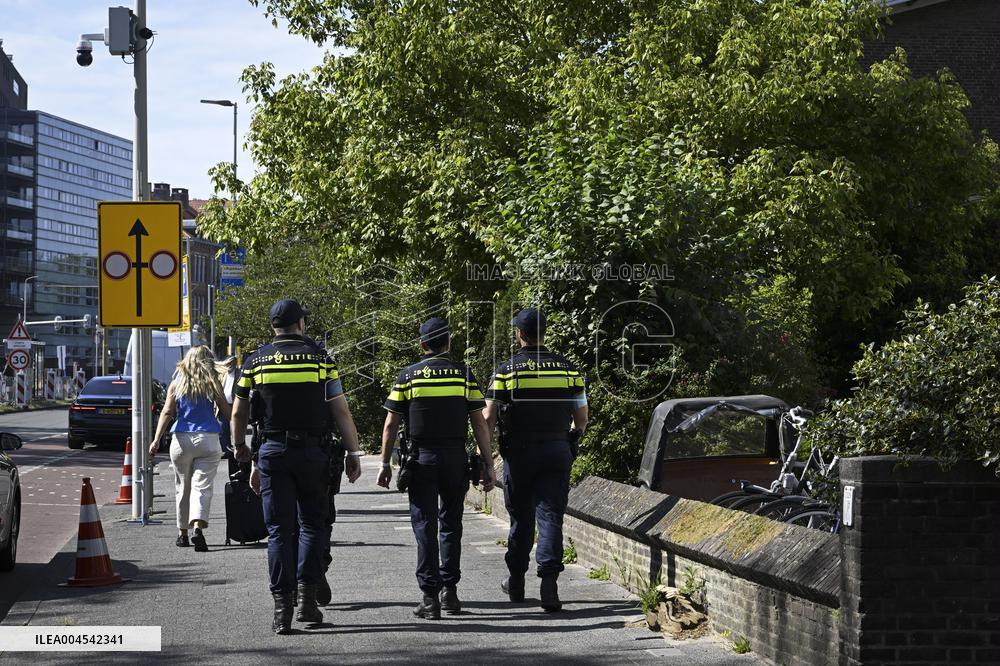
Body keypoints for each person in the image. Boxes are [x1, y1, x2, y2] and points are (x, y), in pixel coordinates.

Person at [231, 299, 362, 635]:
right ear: (300, 325)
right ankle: (307, 600)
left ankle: (281, 610)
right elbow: (341, 412)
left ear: (274, 326)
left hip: (272, 453)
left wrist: (240, 448)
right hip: (314, 454)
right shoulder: (321, 360)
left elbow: (238, 412)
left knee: (278, 531)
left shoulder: (255, 361)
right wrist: (353, 453)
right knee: (312, 526)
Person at [377, 316, 495, 619]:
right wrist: (489, 463)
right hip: (455, 458)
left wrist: (384, 463)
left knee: (424, 527)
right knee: (451, 526)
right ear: (449, 342)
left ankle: (429, 599)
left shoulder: (408, 376)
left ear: (422, 344)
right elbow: (479, 423)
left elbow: (391, 424)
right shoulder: (463, 376)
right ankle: (450, 593)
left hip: (421, 460)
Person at [483, 308, 587, 612]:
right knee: (551, 516)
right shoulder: (569, 369)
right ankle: (549, 587)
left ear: (520, 334)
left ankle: (516, 580)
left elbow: (488, 415)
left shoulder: (506, 371)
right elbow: (581, 417)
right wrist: (571, 438)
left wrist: (485, 455)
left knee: (522, 519)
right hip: (557, 451)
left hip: (520, 453)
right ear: (545, 333)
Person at [149, 346, 232, 552]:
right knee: (202, 487)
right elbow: (227, 413)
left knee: (182, 486)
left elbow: (167, 412)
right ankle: (198, 528)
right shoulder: (213, 384)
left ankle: (182, 534)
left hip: (181, 440)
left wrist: (157, 439)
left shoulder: (177, 384)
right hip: (208, 439)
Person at [216, 356, 239, 458]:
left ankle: (237, 447)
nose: (230, 365)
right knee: (222, 428)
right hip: (222, 404)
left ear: (235, 363)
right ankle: (226, 449)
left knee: (235, 428)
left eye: (232, 363)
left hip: (235, 405)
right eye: (228, 363)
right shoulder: (222, 374)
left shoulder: (240, 374)